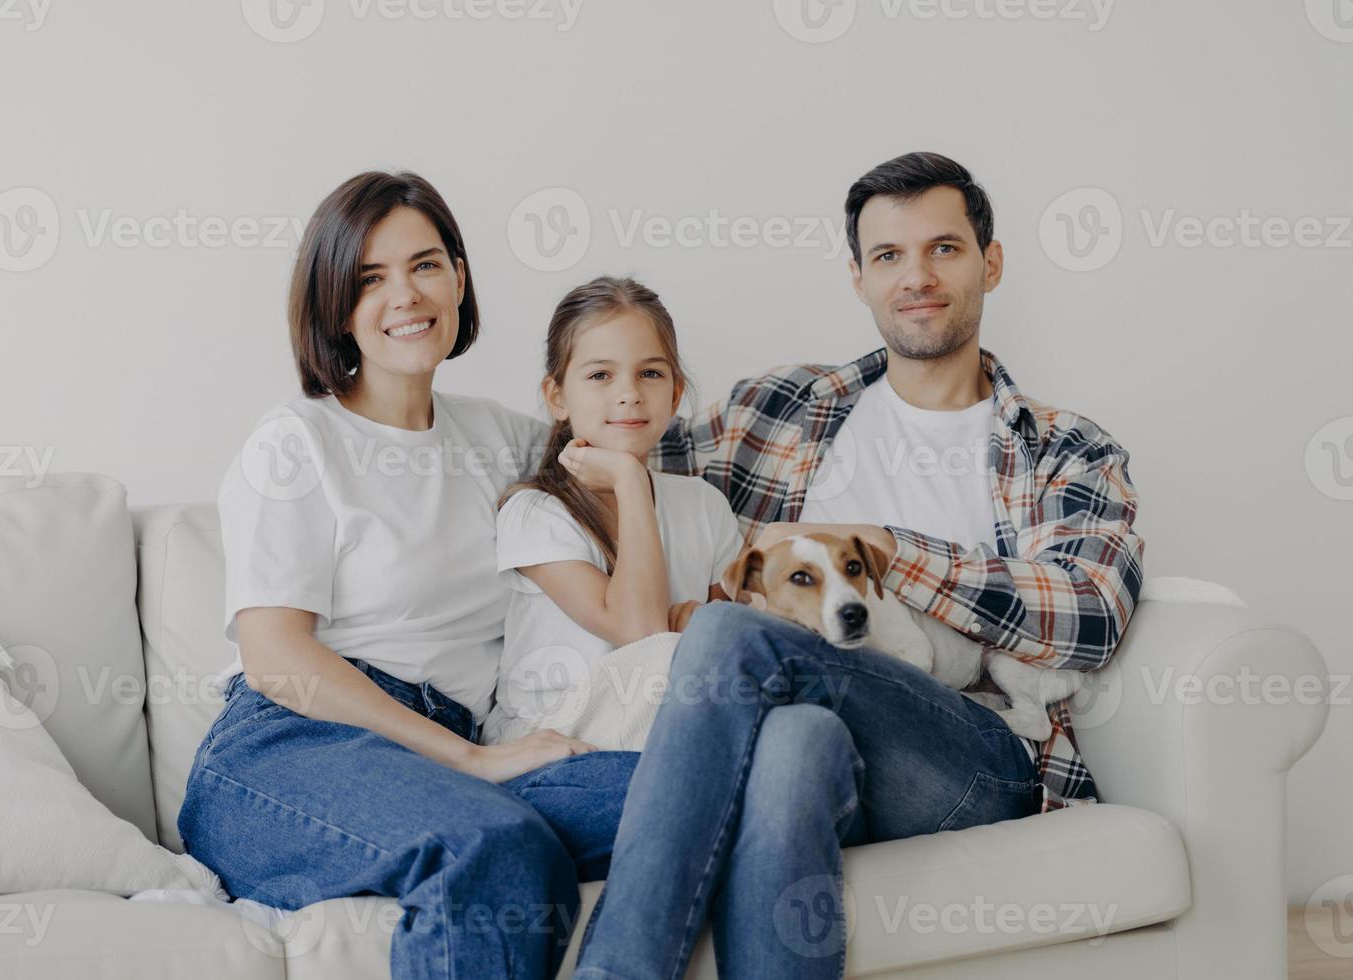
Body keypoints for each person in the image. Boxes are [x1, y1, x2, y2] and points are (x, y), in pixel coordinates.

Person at [572, 152, 1146, 980]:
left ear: (991, 262)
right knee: (798, 737)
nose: (916, 276)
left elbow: (1088, 613)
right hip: (815, 751)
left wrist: (881, 547)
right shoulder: (776, 410)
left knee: (737, 633)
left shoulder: (1062, 448)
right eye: (888, 256)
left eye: (943, 249)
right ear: (858, 277)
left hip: (967, 757)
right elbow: (602, 432)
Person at [176, 170, 639, 980]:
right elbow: (278, 660)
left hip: (451, 759)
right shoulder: (296, 442)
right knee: (495, 847)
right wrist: (471, 764)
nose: (406, 295)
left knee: (701, 786)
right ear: (335, 305)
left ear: (459, 277)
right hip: (290, 752)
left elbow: (630, 421)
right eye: (369, 278)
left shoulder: (502, 439)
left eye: (425, 265)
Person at [483, 275, 743, 749]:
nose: (629, 393)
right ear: (557, 396)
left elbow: (727, 644)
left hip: (667, 726)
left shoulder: (704, 504)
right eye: (600, 375)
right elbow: (641, 636)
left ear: (676, 391)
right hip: (556, 735)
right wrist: (629, 481)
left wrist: (707, 626)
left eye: (650, 373)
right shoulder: (534, 512)